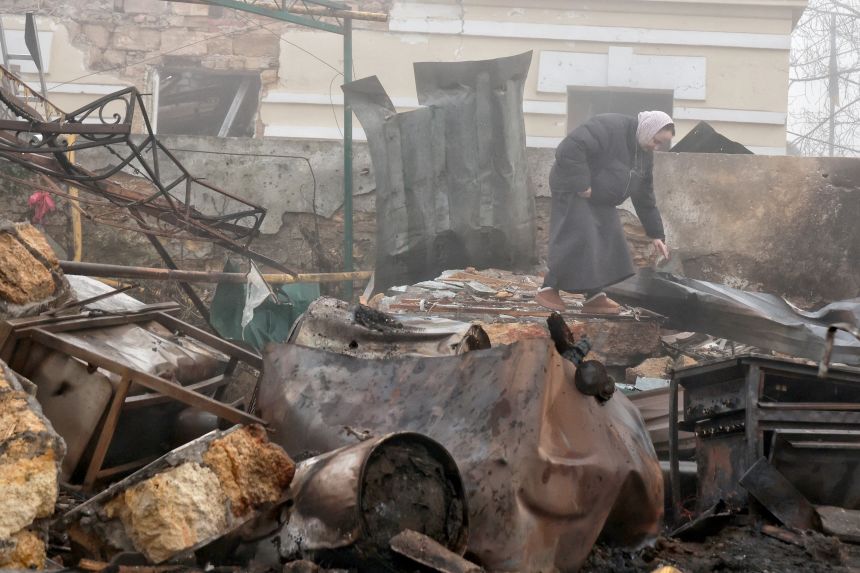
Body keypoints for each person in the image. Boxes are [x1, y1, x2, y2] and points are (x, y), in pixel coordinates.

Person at [535, 111, 674, 314]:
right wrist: (582, 182)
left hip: (600, 196)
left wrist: (656, 234)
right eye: (656, 141)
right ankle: (548, 288)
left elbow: (644, 195)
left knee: (609, 239)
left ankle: (594, 296)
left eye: (661, 144)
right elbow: (570, 147)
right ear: (648, 130)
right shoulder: (610, 127)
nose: (656, 147)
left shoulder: (644, 154)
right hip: (573, 186)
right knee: (579, 236)